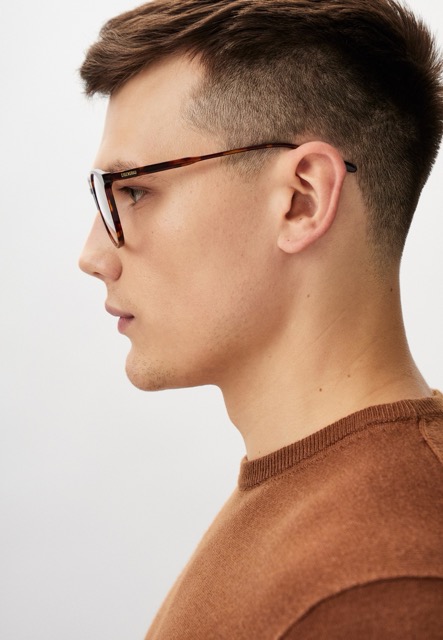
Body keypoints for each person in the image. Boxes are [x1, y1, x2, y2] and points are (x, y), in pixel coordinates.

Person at [78, 0, 443, 637]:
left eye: (134, 190)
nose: (93, 255)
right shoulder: (310, 498)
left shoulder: (379, 587)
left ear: (302, 200)